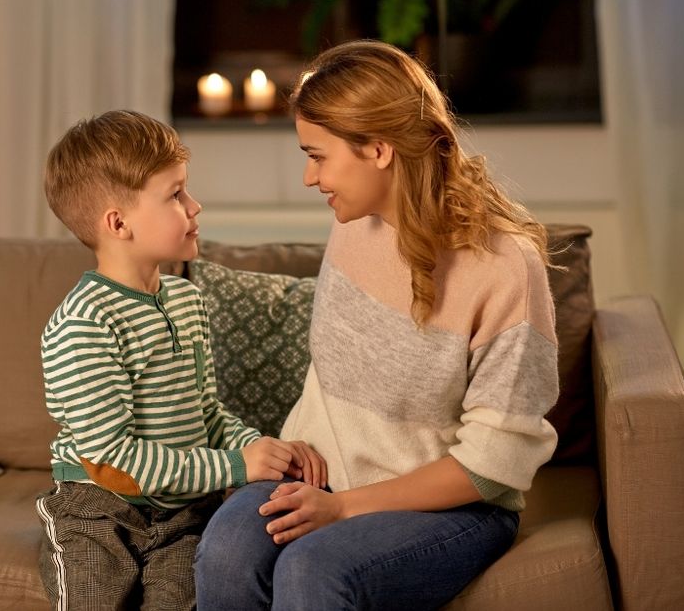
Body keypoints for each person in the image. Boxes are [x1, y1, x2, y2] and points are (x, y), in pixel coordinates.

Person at [194, 40, 560, 610]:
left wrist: (343, 507)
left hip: (453, 508)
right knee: (226, 552)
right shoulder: (354, 226)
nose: (310, 178)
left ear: (379, 150)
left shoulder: (504, 266)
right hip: (320, 475)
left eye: (318, 155)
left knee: (314, 570)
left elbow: (494, 467)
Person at [35, 110, 326, 610]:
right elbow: (113, 464)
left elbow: (206, 415)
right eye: (174, 195)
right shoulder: (85, 323)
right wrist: (237, 465)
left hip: (183, 511)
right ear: (118, 223)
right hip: (98, 511)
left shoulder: (185, 301)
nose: (194, 206)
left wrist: (260, 448)